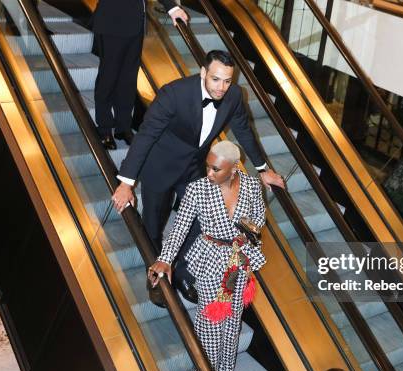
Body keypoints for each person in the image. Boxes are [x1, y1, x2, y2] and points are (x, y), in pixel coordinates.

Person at [111, 50, 284, 301]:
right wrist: (126, 183)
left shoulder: (234, 95)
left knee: (199, 222)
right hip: (160, 166)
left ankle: (182, 273)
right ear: (203, 73)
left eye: (227, 80)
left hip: (193, 166)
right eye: (215, 79)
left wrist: (262, 170)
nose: (222, 87)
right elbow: (146, 135)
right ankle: (156, 280)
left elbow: (243, 131)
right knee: (153, 225)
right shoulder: (174, 94)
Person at [148, 141, 266, 371]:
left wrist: (251, 228)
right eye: (208, 167)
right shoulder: (198, 189)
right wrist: (165, 259)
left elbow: (259, 215)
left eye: (216, 169)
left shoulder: (251, 185)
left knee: (232, 328)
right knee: (210, 331)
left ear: (234, 168)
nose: (209, 173)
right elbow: (179, 228)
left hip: (239, 262)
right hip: (211, 261)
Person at [91, 0, 188, 149]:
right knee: (108, 78)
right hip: (112, 23)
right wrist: (172, 8)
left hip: (135, 26)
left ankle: (123, 127)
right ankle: (104, 128)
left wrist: (172, 8)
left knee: (128, 80)